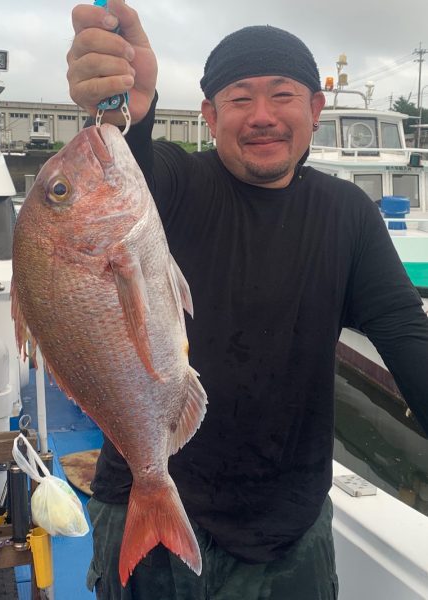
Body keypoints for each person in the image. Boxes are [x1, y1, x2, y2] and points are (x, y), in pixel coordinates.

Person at [67, 2, 428, 598]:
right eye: (239, 98)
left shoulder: (349, 215)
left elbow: (404, 333)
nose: (262, 116)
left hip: (289, 528)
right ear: (210, 115)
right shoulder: (177, 186)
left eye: (283, 95)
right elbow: (128, 179)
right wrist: (125, 114)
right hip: (148, 508)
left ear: (315, 108)